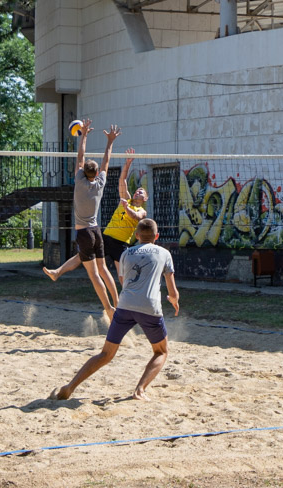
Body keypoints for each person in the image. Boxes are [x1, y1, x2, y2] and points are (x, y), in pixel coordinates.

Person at [51, 217, 180, 402]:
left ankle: (69, 387)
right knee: (161, 352)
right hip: (149, 307)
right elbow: (172, 290)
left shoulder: (127, 254)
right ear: (156, 236)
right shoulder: (164, 253)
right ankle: (140, 390)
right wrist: (174, 300)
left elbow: (123, 280)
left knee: (106, 354)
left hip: (125, 305)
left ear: (136, 236)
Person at [43, 120, 122, 319]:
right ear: (96, 174)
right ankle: (118, 303)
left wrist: (83, 135)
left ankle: (109, 309)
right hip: (96, 231)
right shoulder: (100, 183)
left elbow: (80, 157)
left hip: (84, 233)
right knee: (103, 269)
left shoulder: (79, 181)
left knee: (94, 273)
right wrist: (110, 142)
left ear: (83, 172)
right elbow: (106, 162)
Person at [48, 148, 148, 284]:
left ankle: (126, 300)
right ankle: (57, 272)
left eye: (141, 192)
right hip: (106, 237)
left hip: (120, 244)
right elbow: (122, 179)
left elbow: (136, 216)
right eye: (137, 190)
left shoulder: (142, 210)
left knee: (122, 275)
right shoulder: (126, 198)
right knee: (81, 255)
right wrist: (127, 163)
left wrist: (126, 208)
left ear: (145, 198)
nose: (138, 192)